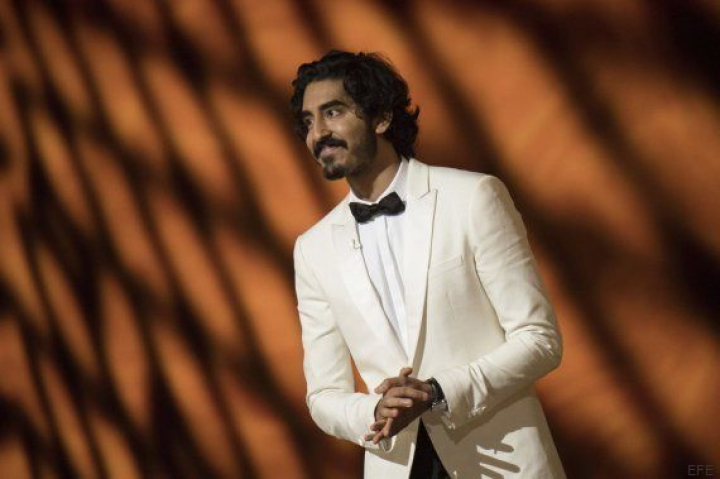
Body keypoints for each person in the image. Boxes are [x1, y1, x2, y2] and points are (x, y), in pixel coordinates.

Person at [290, 50, 565, 478]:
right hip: (395, 465)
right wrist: (374, 410)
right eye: (308, 121)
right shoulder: (313, 248)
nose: (318, 133)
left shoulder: (473, 197)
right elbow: (323, 395)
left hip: (503, 463)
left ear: (381, 118)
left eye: (333, 112)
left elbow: (539, 339)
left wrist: (438, 392)